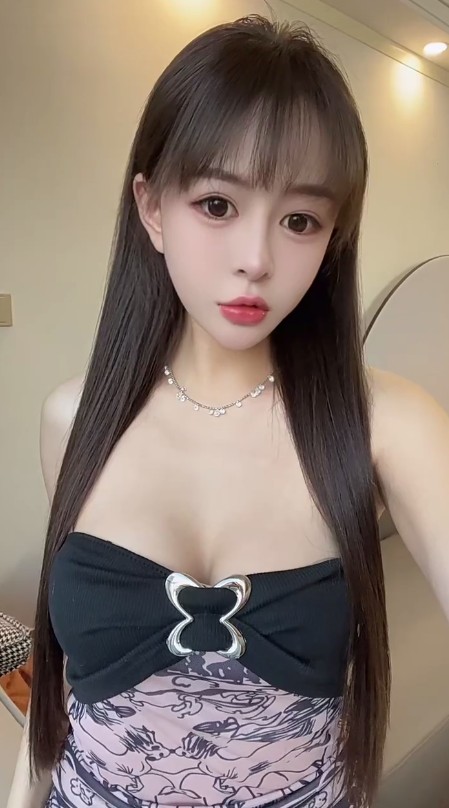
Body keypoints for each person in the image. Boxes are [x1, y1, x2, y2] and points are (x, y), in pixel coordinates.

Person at [7, 13, 449, 808]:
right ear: (151, 208)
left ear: (332, 236)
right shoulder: (74, 419)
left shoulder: (387, 423)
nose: (256, 258)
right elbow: (67, 670)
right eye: (216, 204)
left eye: (299, 221)